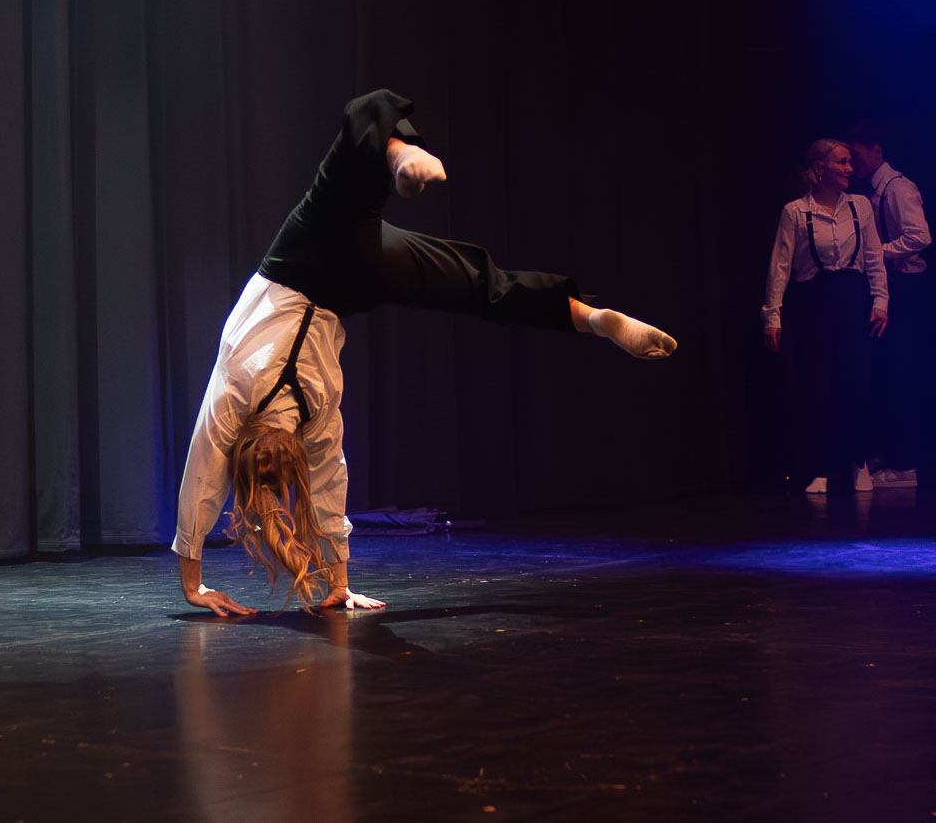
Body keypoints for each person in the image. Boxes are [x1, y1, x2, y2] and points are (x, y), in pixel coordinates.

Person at [173, 91, 678, 616]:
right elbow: (202, 473)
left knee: (473, 287)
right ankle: (399, 153)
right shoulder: (234, 397)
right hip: (299, 264)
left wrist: (320, 583)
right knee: (357, 144)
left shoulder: (314, 414)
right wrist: (197, 579)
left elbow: (321, 483)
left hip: (352, 286)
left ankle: (590, 320)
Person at [763, 138, 889, 494]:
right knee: (817, 384)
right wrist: (772, 316)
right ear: (820, 168)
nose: (849, 168)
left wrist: (880, 300)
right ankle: (819, 467)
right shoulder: (795, 212)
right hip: (814, 303)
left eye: (850, 161)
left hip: (853, 301)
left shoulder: (860, 206)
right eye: (841, 162)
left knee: (856, 382)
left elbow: (874, 258)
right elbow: (780, 266)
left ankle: (858, 462)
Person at [847, 123, 931, 489]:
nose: (852, 164)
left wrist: (876, 252)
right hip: (889, 288)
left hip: (906, 289)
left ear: (876, 150)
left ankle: (906, 465)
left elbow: (920, 236)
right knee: (884, 376)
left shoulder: (897, 187)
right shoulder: (872, 191)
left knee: (900, 375)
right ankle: (890, 453)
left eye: (855, 155)